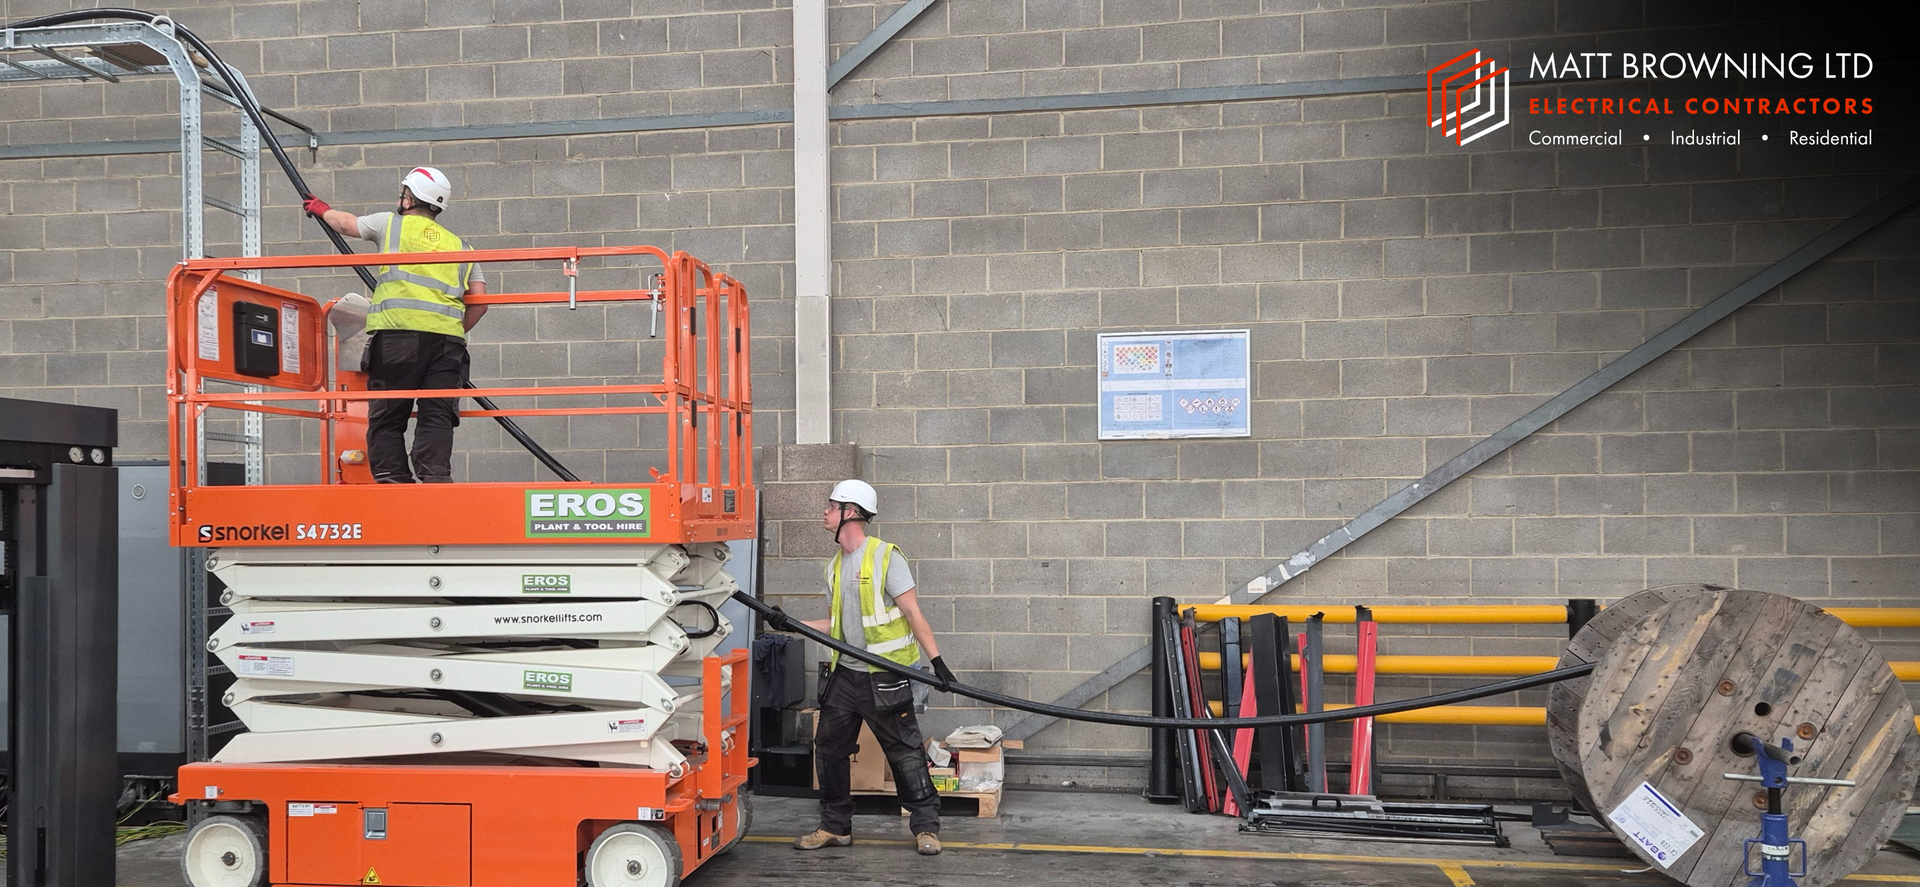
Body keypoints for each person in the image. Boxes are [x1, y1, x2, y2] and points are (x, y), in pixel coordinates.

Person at [777, 479, 956, 857]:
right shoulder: (833, 567)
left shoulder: (886, 557)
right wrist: (791, 622)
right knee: (828, 748)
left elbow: (911, 611)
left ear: (851, 513)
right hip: (845, 676)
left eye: (831, 506)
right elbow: (834, 626)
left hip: (885, 676)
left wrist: (937, 661)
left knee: (905, 752)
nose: (824, 512)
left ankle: (926, 827)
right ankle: (835, 826)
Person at [303, 167, 485, 483]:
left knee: (388, 416)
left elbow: (346, 224)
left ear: (410, 197)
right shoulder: (464, 248)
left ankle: (392, 479)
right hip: (448, 345)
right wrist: (449, 328)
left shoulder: (391, 225)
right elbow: (480, 302)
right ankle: (435, 477)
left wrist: (322, 209)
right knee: (438, 414)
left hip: (399, 337)